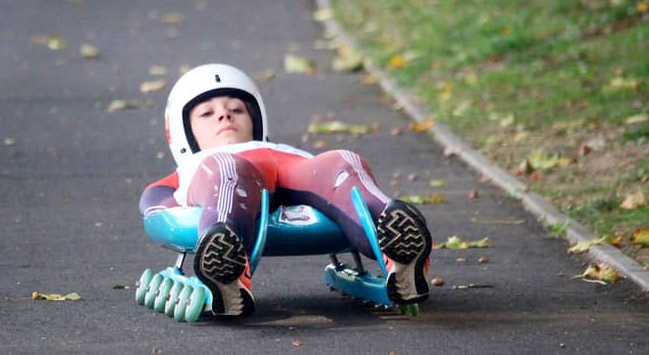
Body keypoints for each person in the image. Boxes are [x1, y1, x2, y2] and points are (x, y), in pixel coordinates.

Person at [139, 63, 432, 317]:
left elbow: (319, 171)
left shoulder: (282, 149)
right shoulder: (191, 170)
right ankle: (225, 262)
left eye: (237, 109)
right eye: (207, 113)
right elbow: (155, 207)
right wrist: (171, 215)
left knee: (342, 162)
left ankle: (396, 247)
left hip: (292, 169)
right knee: (228, 170)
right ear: (182, 131)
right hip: (228, 181)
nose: (225, 116)